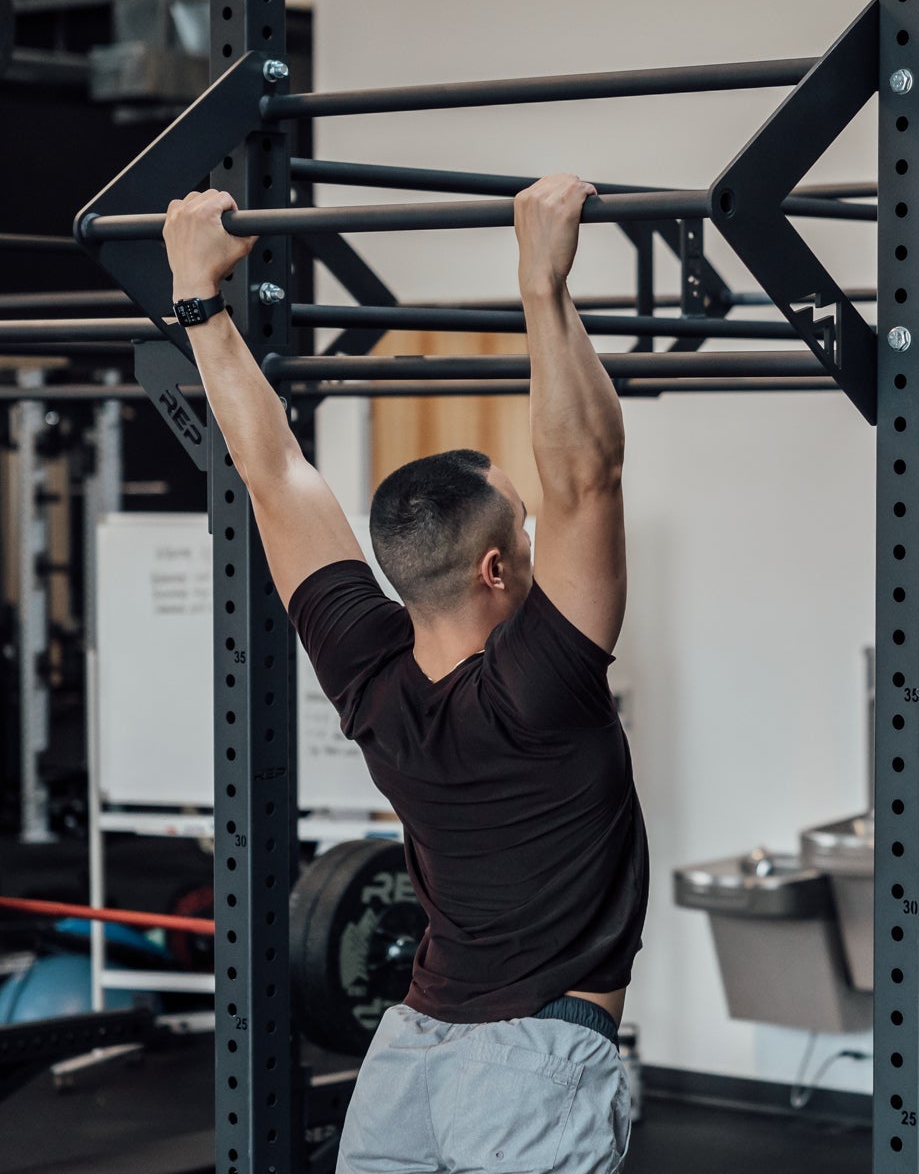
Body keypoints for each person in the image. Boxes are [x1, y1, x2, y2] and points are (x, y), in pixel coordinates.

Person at [163, 174, 646, 1173]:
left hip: (407, 1057)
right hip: (532, 1064)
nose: (540, 533)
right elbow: (588, 474)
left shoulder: (368, 671)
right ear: (496, 569)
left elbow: (272, 472)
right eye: (525, 529)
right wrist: (543, 284)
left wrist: (197, 298)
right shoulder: (540, 689)